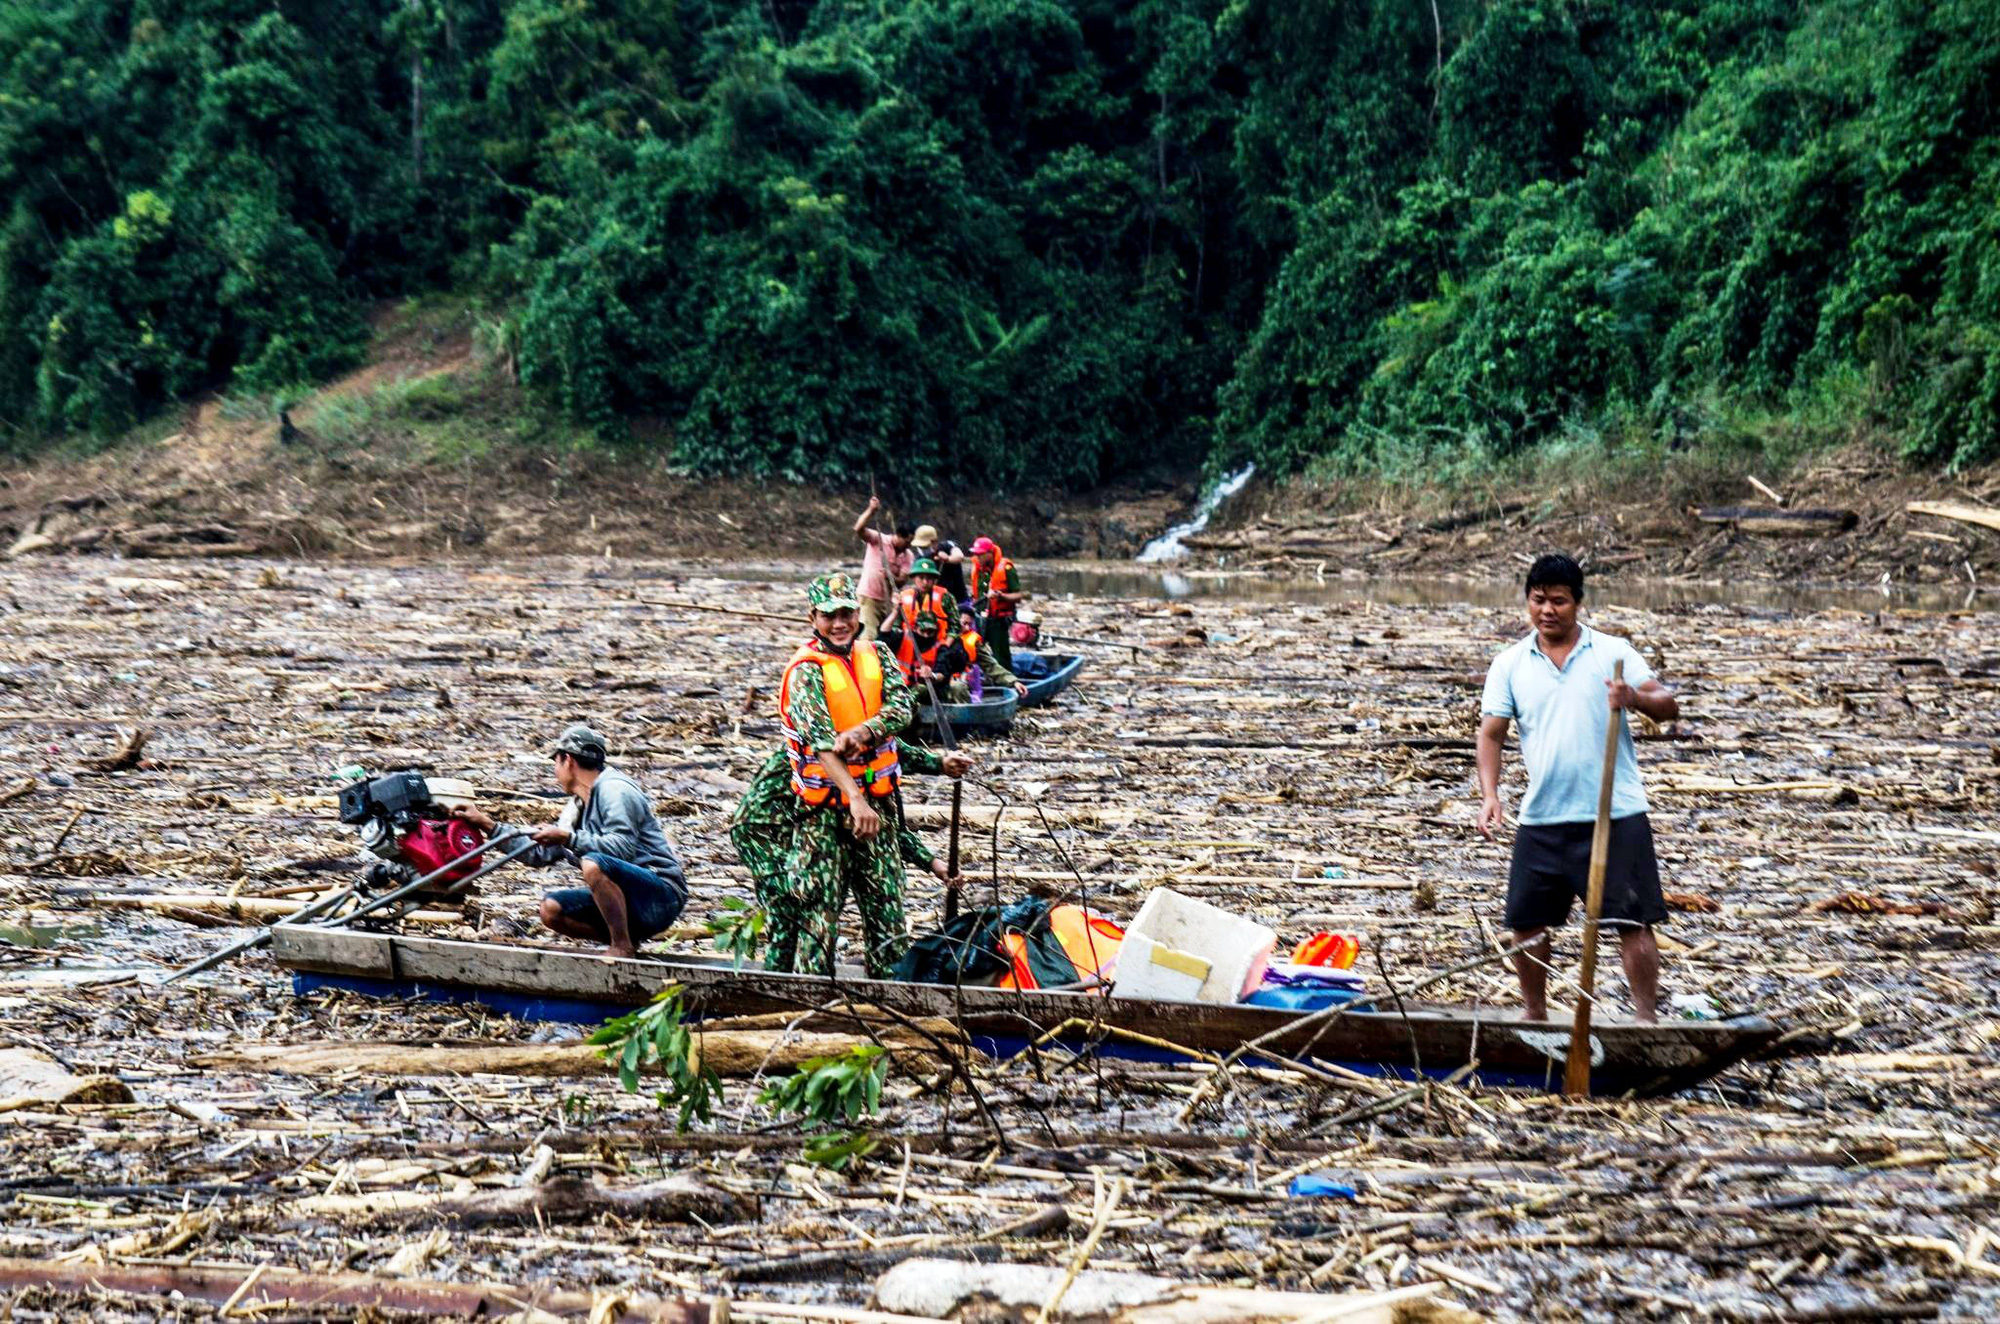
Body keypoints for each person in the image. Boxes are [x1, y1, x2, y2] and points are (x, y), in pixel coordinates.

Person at [1475, 554, 1680, 1023]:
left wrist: (1634, 699)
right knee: (1526, 921)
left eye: (1559, 602)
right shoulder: (1510, 664)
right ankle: (1535, 1014)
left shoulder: (1613, 653)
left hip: (1615, 813)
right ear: (1528, 601)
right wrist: (1491, 794)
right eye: (1539, 600)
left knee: (1632, 919)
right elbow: (1491, 734)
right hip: (1544, 815)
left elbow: (1668, 705)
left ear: (1578, 604)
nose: (1548, 610)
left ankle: (1645, 1019)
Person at [760, 572, 920, 976]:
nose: (839, 623)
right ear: (813, 617)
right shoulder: (806, 670)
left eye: (846, 613)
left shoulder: (878, 654)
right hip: (824, 816)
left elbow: (902, 708)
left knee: (887, 905)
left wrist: (865, 730)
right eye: (829, 615)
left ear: (856, 614)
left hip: (877, 806)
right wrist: (855, 798)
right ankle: (812, 1003)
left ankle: (892, 995)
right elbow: (820, 741)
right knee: (819, 913)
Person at [453, 724, 687, 958]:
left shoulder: (616, 790)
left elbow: (621, 848)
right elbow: (538, 854)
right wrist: (486, 824)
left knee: (593, 863)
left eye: (556, 762)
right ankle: (628, 940)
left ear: (568, 760)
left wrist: (569, 838)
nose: (555, 772)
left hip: (660, 895)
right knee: (551, 909)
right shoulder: (575, 808)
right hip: (626, 903)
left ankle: (622, 945)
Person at [851, 496, 912, 642]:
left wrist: (890, 576)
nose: (908, 545)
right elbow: (858, 529)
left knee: (885, 636)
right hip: (869, 597)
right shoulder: (879, 539)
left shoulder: (908, 555)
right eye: (907, 541)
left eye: (910, 542)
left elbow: (902, 581)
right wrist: (871, 510)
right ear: (898, 536)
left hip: (887, 602)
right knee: (868, 635)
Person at [968, 536, 1026, 669]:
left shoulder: (1006, 568)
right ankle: (976, 681)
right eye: (976, 554)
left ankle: (1008, 683)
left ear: (990, 553)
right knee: (973, 651)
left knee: (1001, 656)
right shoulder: (977, 569)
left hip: (998, 620)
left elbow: (1018, 595)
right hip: (979, 618)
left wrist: (1002, 596)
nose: (978, 557)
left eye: (981, 554)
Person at [912, 525, 971, 604]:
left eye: (924, 547)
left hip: (958, 599)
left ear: (934, 542)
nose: (922, 550)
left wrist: (947, 559)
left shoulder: (946, 546)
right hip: (936, 602)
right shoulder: (920, 558)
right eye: (920, 547)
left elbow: (959, 556)